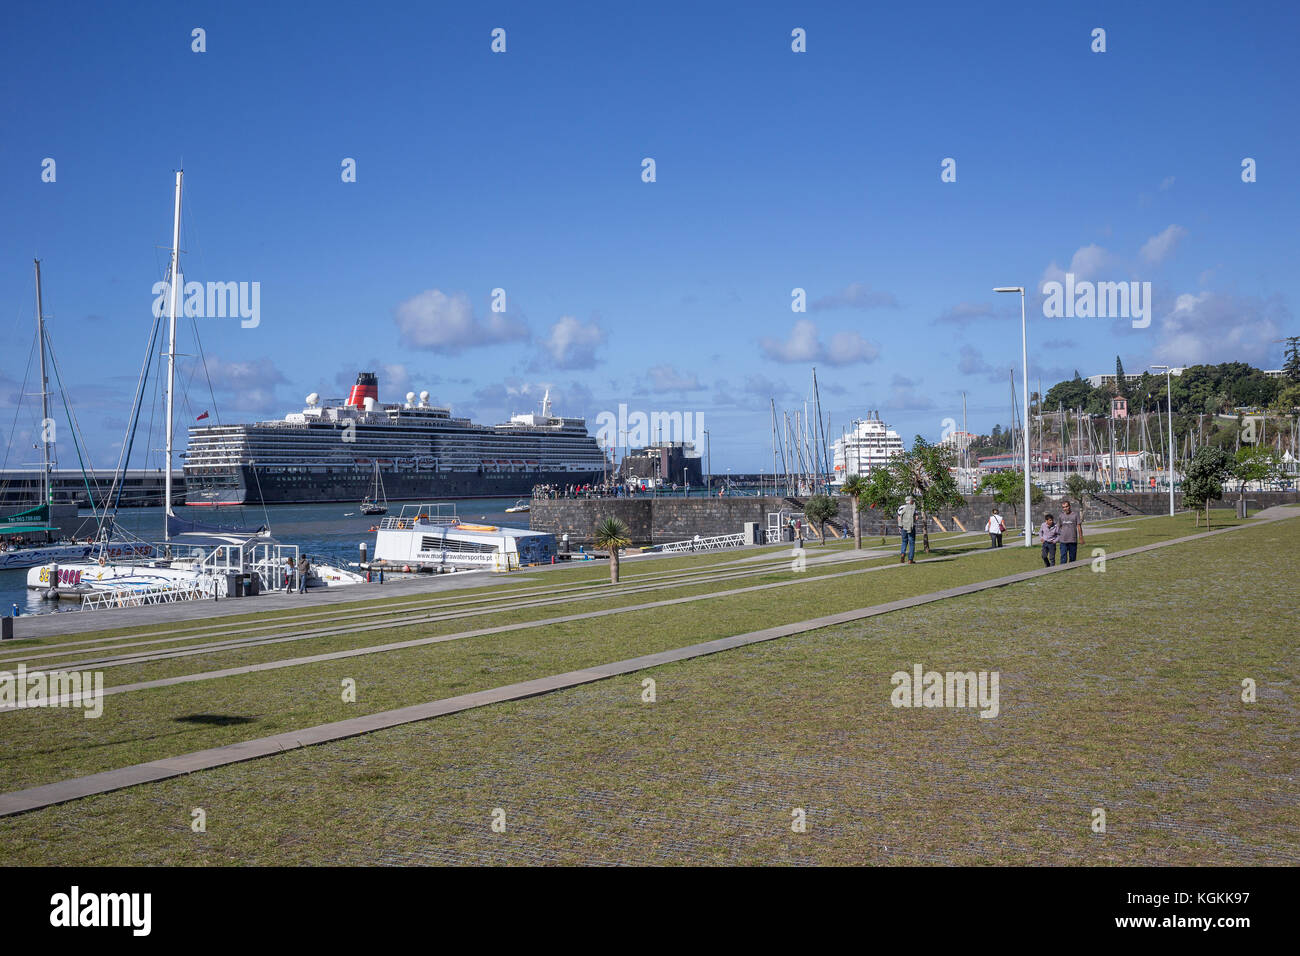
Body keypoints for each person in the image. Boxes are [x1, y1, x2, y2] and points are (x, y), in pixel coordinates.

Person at [897, 495, 917, 564]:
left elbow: (899, 518)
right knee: (911, 543)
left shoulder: (901, 507)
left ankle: (902, 554)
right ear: (910, 501)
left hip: (903, 527)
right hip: (911, 527)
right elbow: (916, 517)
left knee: (904, 541)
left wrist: (900, 526)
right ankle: (910, 559)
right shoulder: (913, 508)